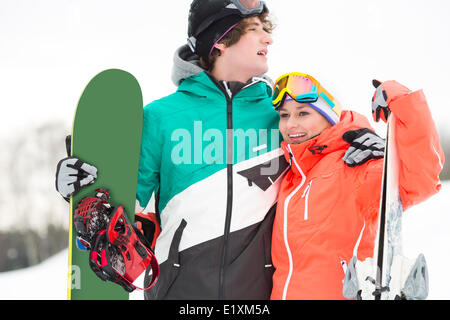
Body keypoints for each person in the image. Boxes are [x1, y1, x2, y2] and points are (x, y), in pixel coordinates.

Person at [55, 1, 384, 300]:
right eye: (255, 30)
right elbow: (131, 208)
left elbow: (326, 126)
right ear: (221, 40)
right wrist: (85, 183)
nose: (268, 40)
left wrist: (360, 131)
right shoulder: (161, 118)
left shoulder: (279, 114)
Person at [269, 72, 444, 300]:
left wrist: (405, 104)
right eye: (284, 115)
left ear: (330, 116)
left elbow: (422, 180)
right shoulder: (291, 178)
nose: (291, 124)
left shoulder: (357, 163)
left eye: (303, 113)